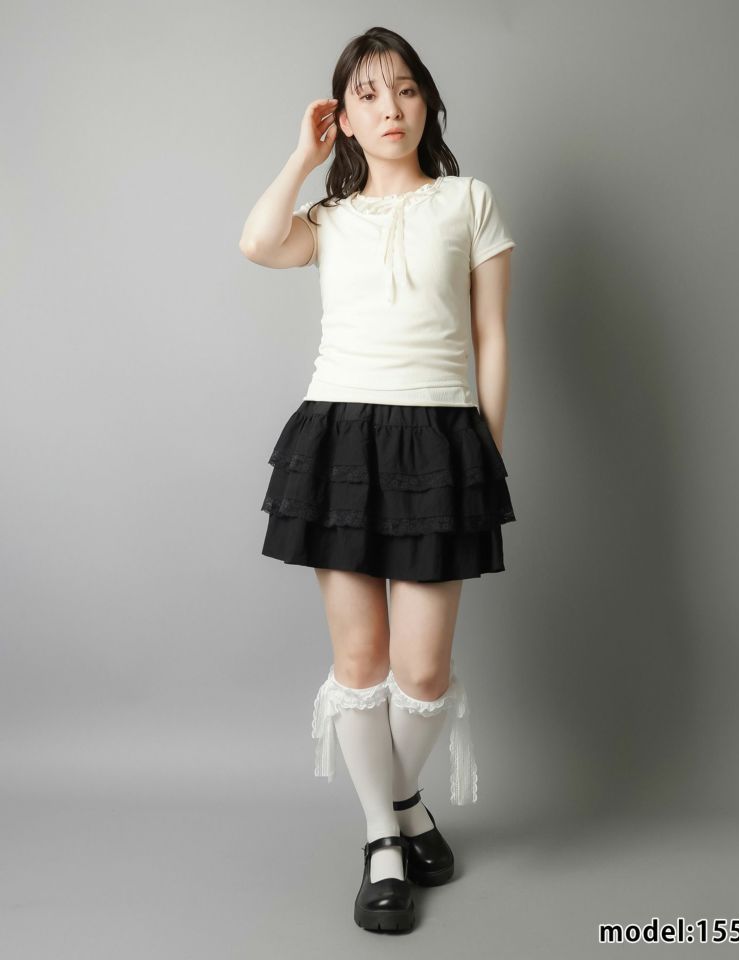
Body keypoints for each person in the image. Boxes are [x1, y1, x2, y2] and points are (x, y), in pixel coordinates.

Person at [239, 26, 516, 933]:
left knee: (422, 671)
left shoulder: (469, 201)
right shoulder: (328, 219)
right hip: (340, 439)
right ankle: (384, 837)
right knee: (359, 663)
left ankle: (400, 804)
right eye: (366, 94)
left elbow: (492, 338)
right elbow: (256, 242)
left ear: (426, 101)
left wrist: (485, 455)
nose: (389, 108)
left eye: (403, 89)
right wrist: (302, 155)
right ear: (345, 119)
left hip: (440, 437)